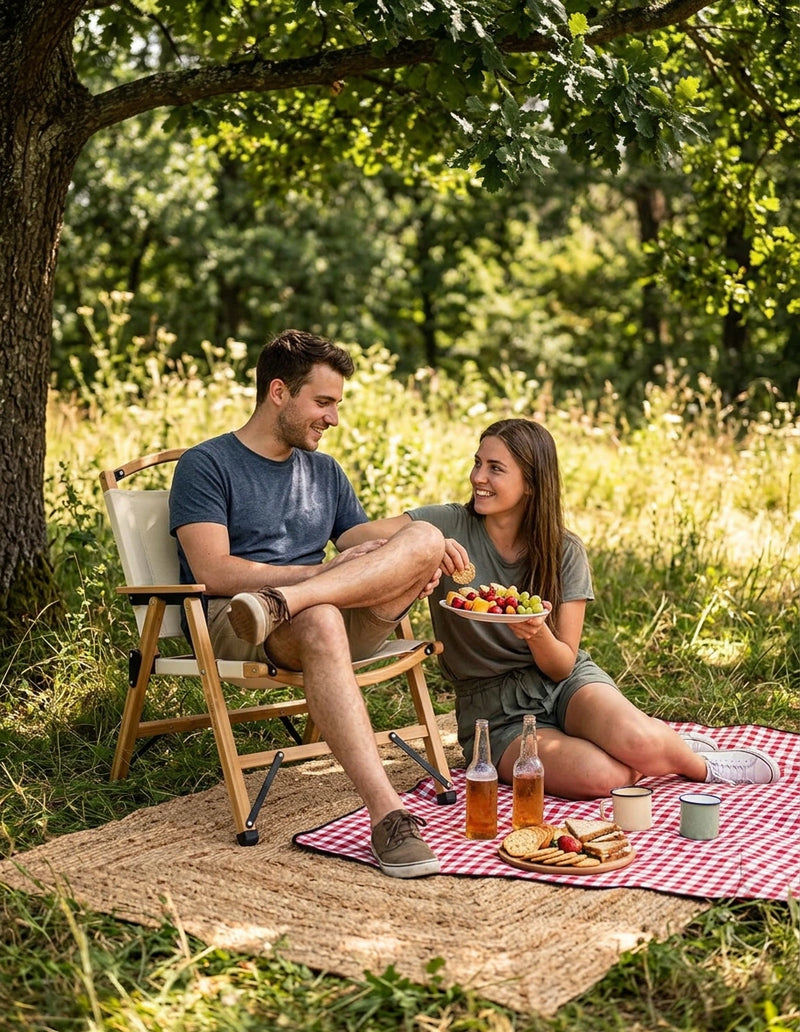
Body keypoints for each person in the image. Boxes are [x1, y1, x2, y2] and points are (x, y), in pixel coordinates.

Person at [348, 417, 780, 796]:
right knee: (602, 775)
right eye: (478, 462)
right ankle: (659, 748)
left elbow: (561, 665)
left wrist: (537, 631)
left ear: (532, 483)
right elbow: (351, 538)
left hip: (563, 683)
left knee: (639, 743)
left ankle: (700, 766)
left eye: (496, 468)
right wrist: (425, 546)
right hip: (493, 714)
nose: (478, 476)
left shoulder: (564, 549)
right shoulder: (445, 522)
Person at [169, 329, 447, 879]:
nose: (333, 418)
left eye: (336, 404)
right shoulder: (207, 465)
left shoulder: (324, 471)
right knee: (319, 614)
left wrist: (440, 528)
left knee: (427, 539)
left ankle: (294, 601)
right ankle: (387, 813)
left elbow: (360, 539)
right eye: (323, 402)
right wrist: (322, 575)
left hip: (310, 606)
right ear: (279, 392)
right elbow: (212, 569)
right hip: (241, 615)